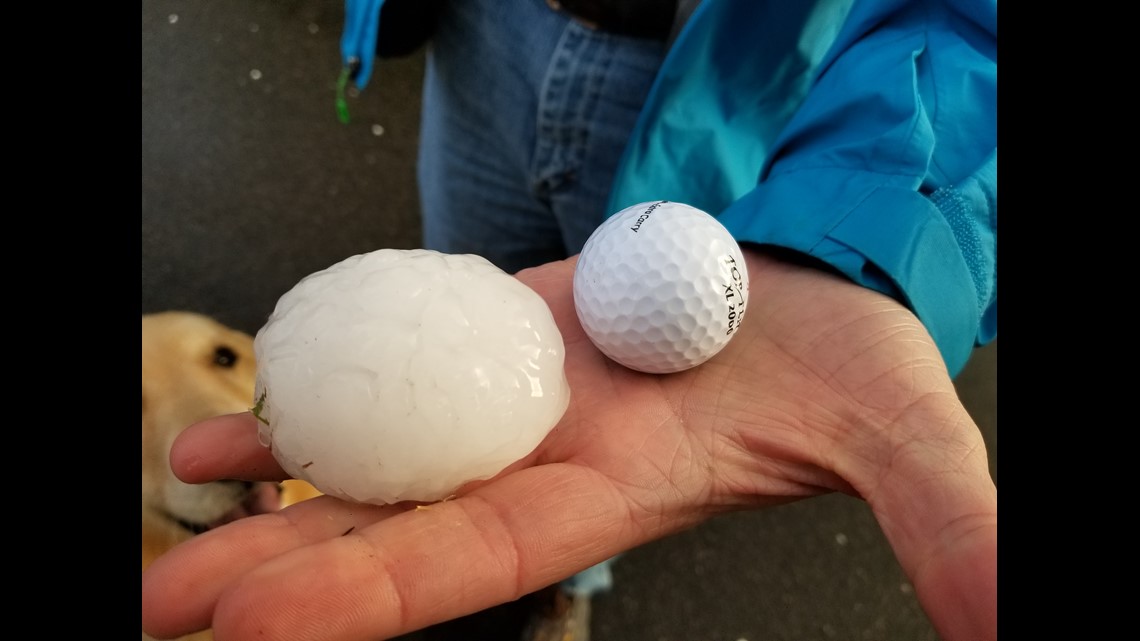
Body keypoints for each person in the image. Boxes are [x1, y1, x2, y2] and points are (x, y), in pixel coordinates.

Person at [141, 1, 997, 640]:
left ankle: (566, 579)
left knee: (615, 440)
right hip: (484, 34)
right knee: (451, 315)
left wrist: (880, 218)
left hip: (723, 69)